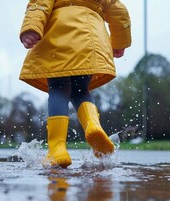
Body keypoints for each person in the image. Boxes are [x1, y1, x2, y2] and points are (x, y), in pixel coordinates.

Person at [19, 0, 131, 168]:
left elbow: (40, 4)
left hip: (60, 35)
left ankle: (57, 150)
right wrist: (120, 42)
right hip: (91, 39)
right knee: (80, 90)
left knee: (58, 89)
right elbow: (118, 11)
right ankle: (93, 125)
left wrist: (31, 28)